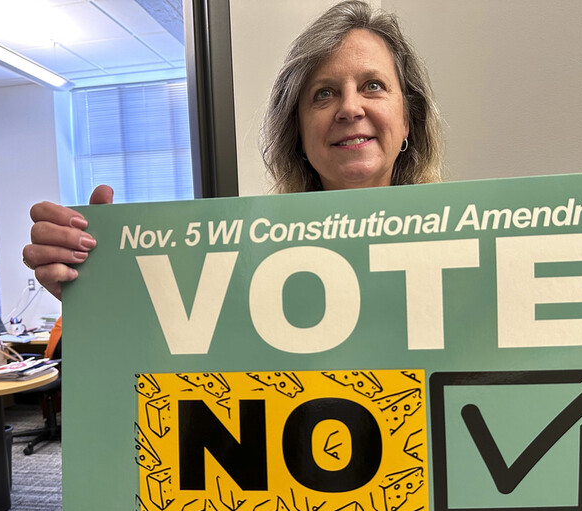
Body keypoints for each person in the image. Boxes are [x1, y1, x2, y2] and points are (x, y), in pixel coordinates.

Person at [23, 0, 443, 298]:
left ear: (408, 118)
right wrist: (99, 291)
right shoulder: (242, 265)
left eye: (373, 86)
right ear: (297, 133)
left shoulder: (475, 248)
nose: (350, 108)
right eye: (323, 94)